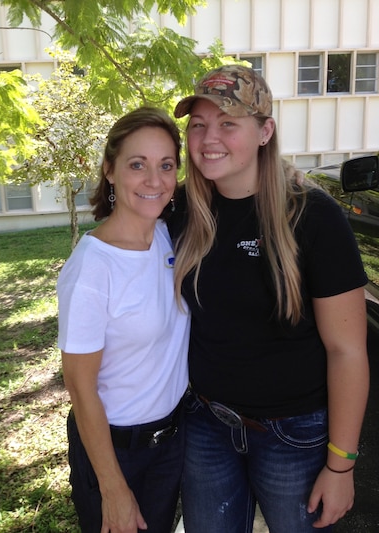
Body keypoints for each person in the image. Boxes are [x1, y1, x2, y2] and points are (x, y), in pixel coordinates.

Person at [168, 65, 370, 533]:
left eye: (227, 123)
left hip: (293, 434)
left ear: (265, 131)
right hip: (205, 425)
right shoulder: (180, 210)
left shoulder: (314, 217)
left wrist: (341, 465)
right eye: (198, 124)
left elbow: (347, 351)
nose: (208, 138)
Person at [57, 107, 190, 533]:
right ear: (110, 171)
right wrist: (113, 487)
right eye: (138, 165)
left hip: (171, 442)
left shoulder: (168, 232)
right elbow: (81, 387)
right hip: (115, 453)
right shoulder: (93, 268)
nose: (154, 181)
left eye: (166, 165)